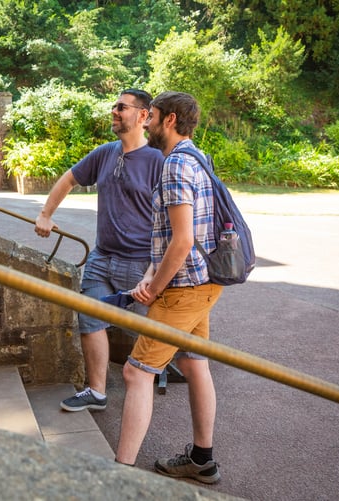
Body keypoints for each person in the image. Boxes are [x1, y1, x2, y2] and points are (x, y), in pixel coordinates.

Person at [115, 91, 224, 484]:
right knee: (195, 364)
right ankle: (202, 459)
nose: (145, 123)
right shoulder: (198, 156)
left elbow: (180, 241)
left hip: (183, 287)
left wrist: (155, 287)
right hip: (204, 282)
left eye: (152, 117)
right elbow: (183, 235)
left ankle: (120, 474)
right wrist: (150, 271)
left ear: (170, 120)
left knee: (136, 372)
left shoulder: (176, 165)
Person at [35, 89, 163, 412]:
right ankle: (96, 391)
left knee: (151, 333)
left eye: (122, 107)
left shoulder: (158, 161)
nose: (114, 111)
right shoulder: (105, 153)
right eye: (114, 106)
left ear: (143, 116)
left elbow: (170, 218)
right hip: (101, 258)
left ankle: (169, 374)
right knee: (89, 319)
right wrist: (46, 213)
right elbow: (69, 179)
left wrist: (155, 268)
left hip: (139, 264)